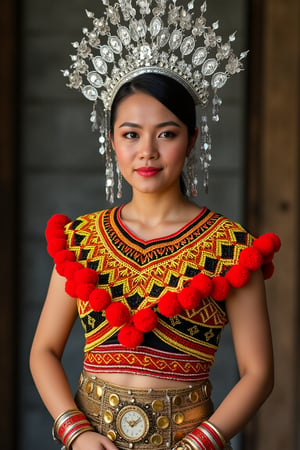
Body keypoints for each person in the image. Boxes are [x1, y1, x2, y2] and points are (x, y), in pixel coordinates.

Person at [30, 2, 280, 450]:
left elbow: (259, 373)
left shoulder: (230, 247)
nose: (147, 151)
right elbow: (43, 351)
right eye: (131, 134)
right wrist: (77, 432)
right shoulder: (82, 240)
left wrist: (199, 444)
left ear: (193, 139)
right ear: (112, 143)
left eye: (166, 133)